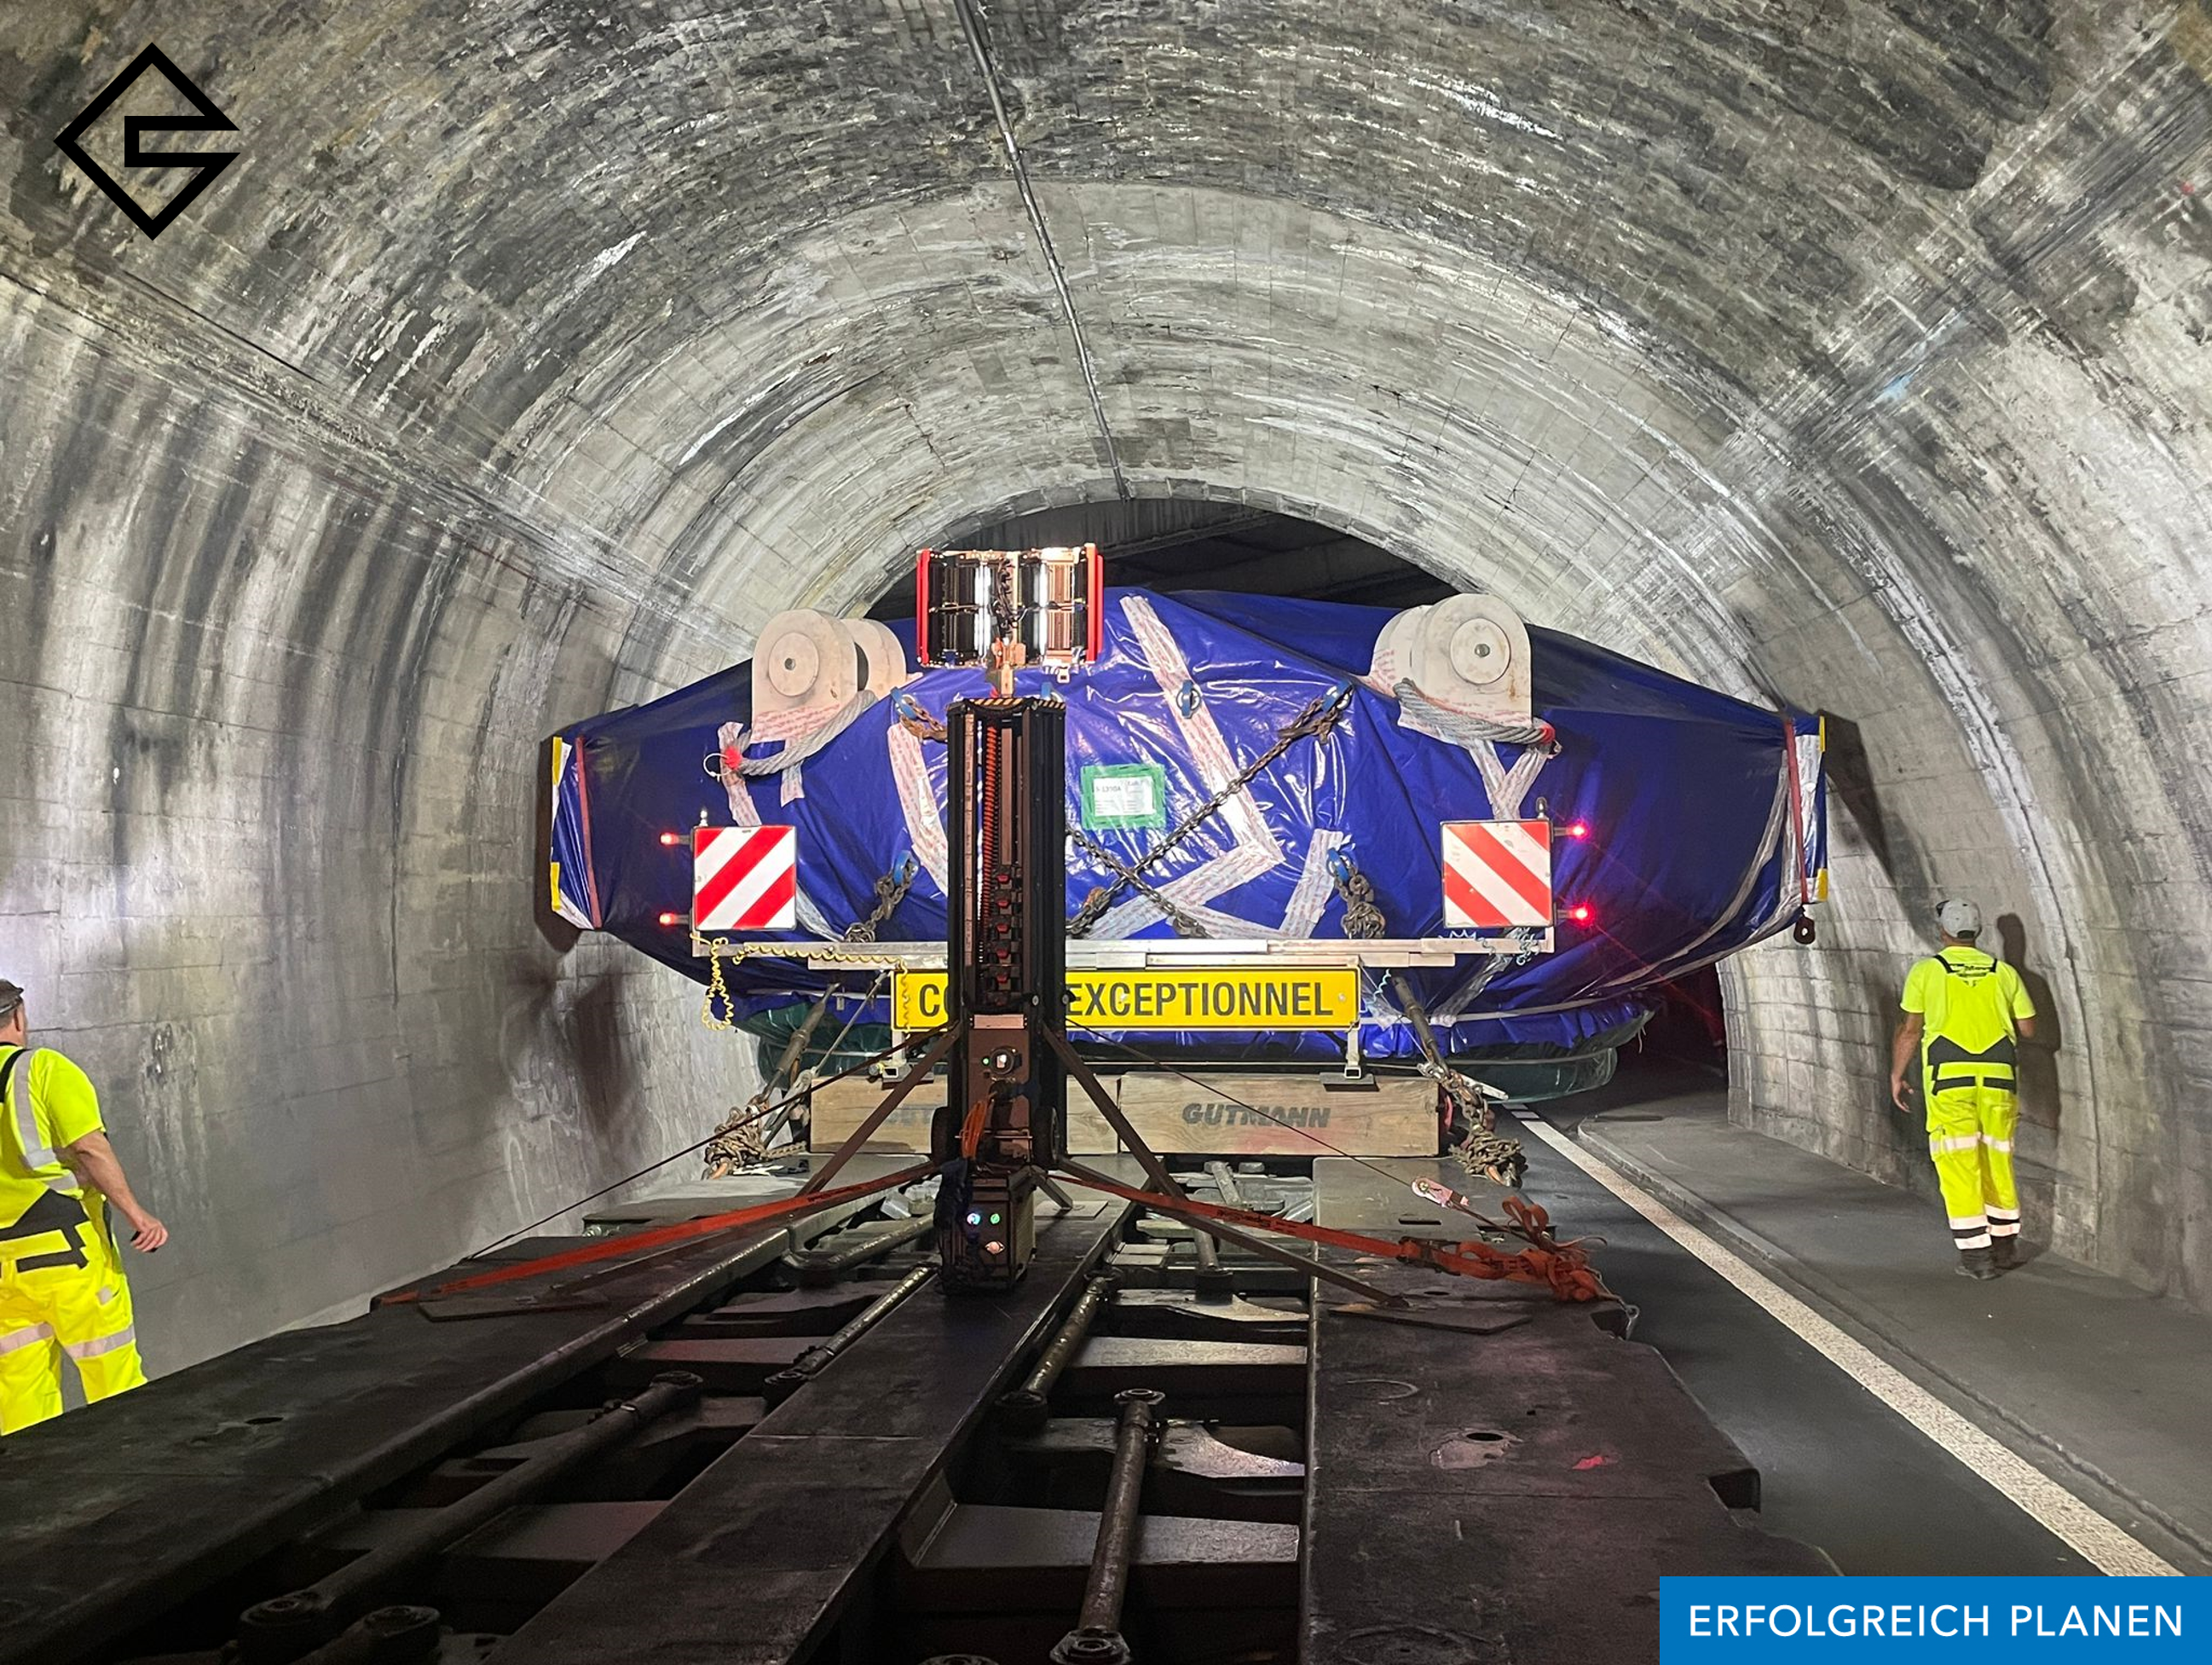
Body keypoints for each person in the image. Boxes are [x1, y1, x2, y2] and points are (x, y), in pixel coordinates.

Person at [0, 979, 165, 1432]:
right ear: (17, 1017)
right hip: (67, 1257)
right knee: (114, 1383)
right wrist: (137, 1213)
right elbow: (90, 1147)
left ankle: (37, 1496)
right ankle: (139, 1480)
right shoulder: (43, 1069)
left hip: (3, 1275)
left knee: (20, 1402)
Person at [1889, 903, 2036, 1280]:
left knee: (1958, 1162)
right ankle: (2004, 1245)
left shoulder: (1927, 972)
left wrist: (1897, 1074)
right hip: (1999, 1079)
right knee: (1997, 1158)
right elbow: (2029, 1029)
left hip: (1950, 1080)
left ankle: (1977, 1257)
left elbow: (1910, 1030)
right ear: (1978, 933)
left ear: (1943, 932)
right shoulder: (2003, 973)